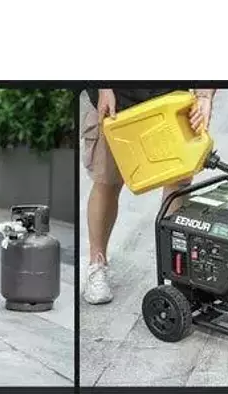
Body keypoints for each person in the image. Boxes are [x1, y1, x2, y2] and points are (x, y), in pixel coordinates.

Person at [81, 88, 216, 304]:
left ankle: (178, 270)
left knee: (178, 182)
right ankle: (97, 264)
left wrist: (204, 96)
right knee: (107, 181)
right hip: (115, 102)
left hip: (169, 98)